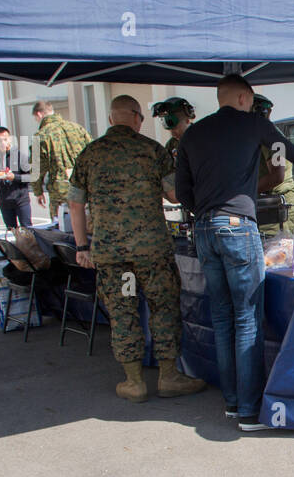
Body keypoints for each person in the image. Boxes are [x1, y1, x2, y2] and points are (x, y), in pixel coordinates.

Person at [175, 74, 294, 431]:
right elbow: (291, 152)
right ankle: (251, 413)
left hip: (204, 229)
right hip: (237, 226)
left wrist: (203, 210)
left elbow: (182, 190)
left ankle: (233, 403)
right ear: (243, 98)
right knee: (246, 318)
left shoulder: (192, 133)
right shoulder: (253, 123)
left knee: (222, 318)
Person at [68, 95, 206, 404]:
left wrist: (81, 246)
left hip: (112, 255)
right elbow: (174, 195)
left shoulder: (89, 154)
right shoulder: (152, 150)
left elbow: (75, 203)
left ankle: (134, 382)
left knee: (123, 313)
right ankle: (168, 376)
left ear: (111, 118)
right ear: (136, 118)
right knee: (164, 308)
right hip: (152, 251)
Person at [251, 94, 294, 241]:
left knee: (277, 255)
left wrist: (245, 190)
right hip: (271, 204)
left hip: (279, 205)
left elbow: (277, 175)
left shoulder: (270, 136)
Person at [32, 100, 92, 223]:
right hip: (84, 188)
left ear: (39, 114)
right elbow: (93, 154)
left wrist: (38, 191)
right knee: (87, 226)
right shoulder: (77, 128)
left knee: (63, 230)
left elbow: (36, 169)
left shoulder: (41, 135)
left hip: (60, 193)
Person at [0, 126, 35, 229]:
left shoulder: (21, 156)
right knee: (11, 231)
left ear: (10, 139)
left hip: (21, 200)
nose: (3, 142)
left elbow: (31, 177)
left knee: (28, 230)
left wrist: (14, 177)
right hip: (5, 202)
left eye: (5, 139)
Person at [152, 96, 194, 203]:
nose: (172, 133)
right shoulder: (172, 144)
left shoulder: (201, 140)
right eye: (170, 129)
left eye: (175, 128)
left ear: (187, 120)